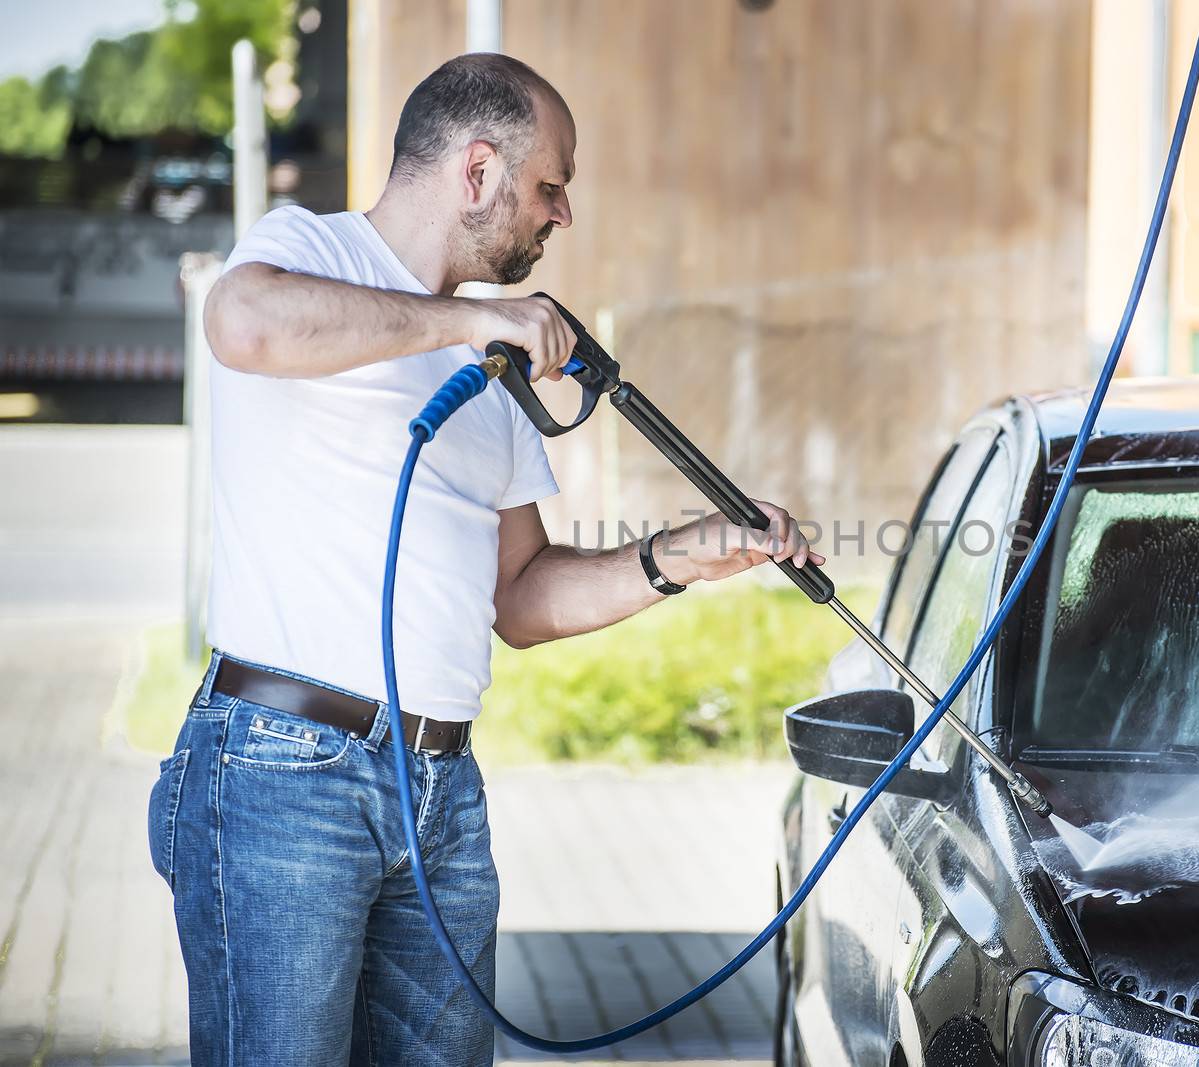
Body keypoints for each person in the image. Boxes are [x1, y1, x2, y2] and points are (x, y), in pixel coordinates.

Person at [146, 53, 821, 1066]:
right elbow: (242, 325)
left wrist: (683, 555)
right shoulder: (305, 250)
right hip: (282, 770)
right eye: (549, 186)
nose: (563, 215)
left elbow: (520, 593)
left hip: (439, 790)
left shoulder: (492, 369)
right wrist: (473, 318)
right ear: (475, 172)